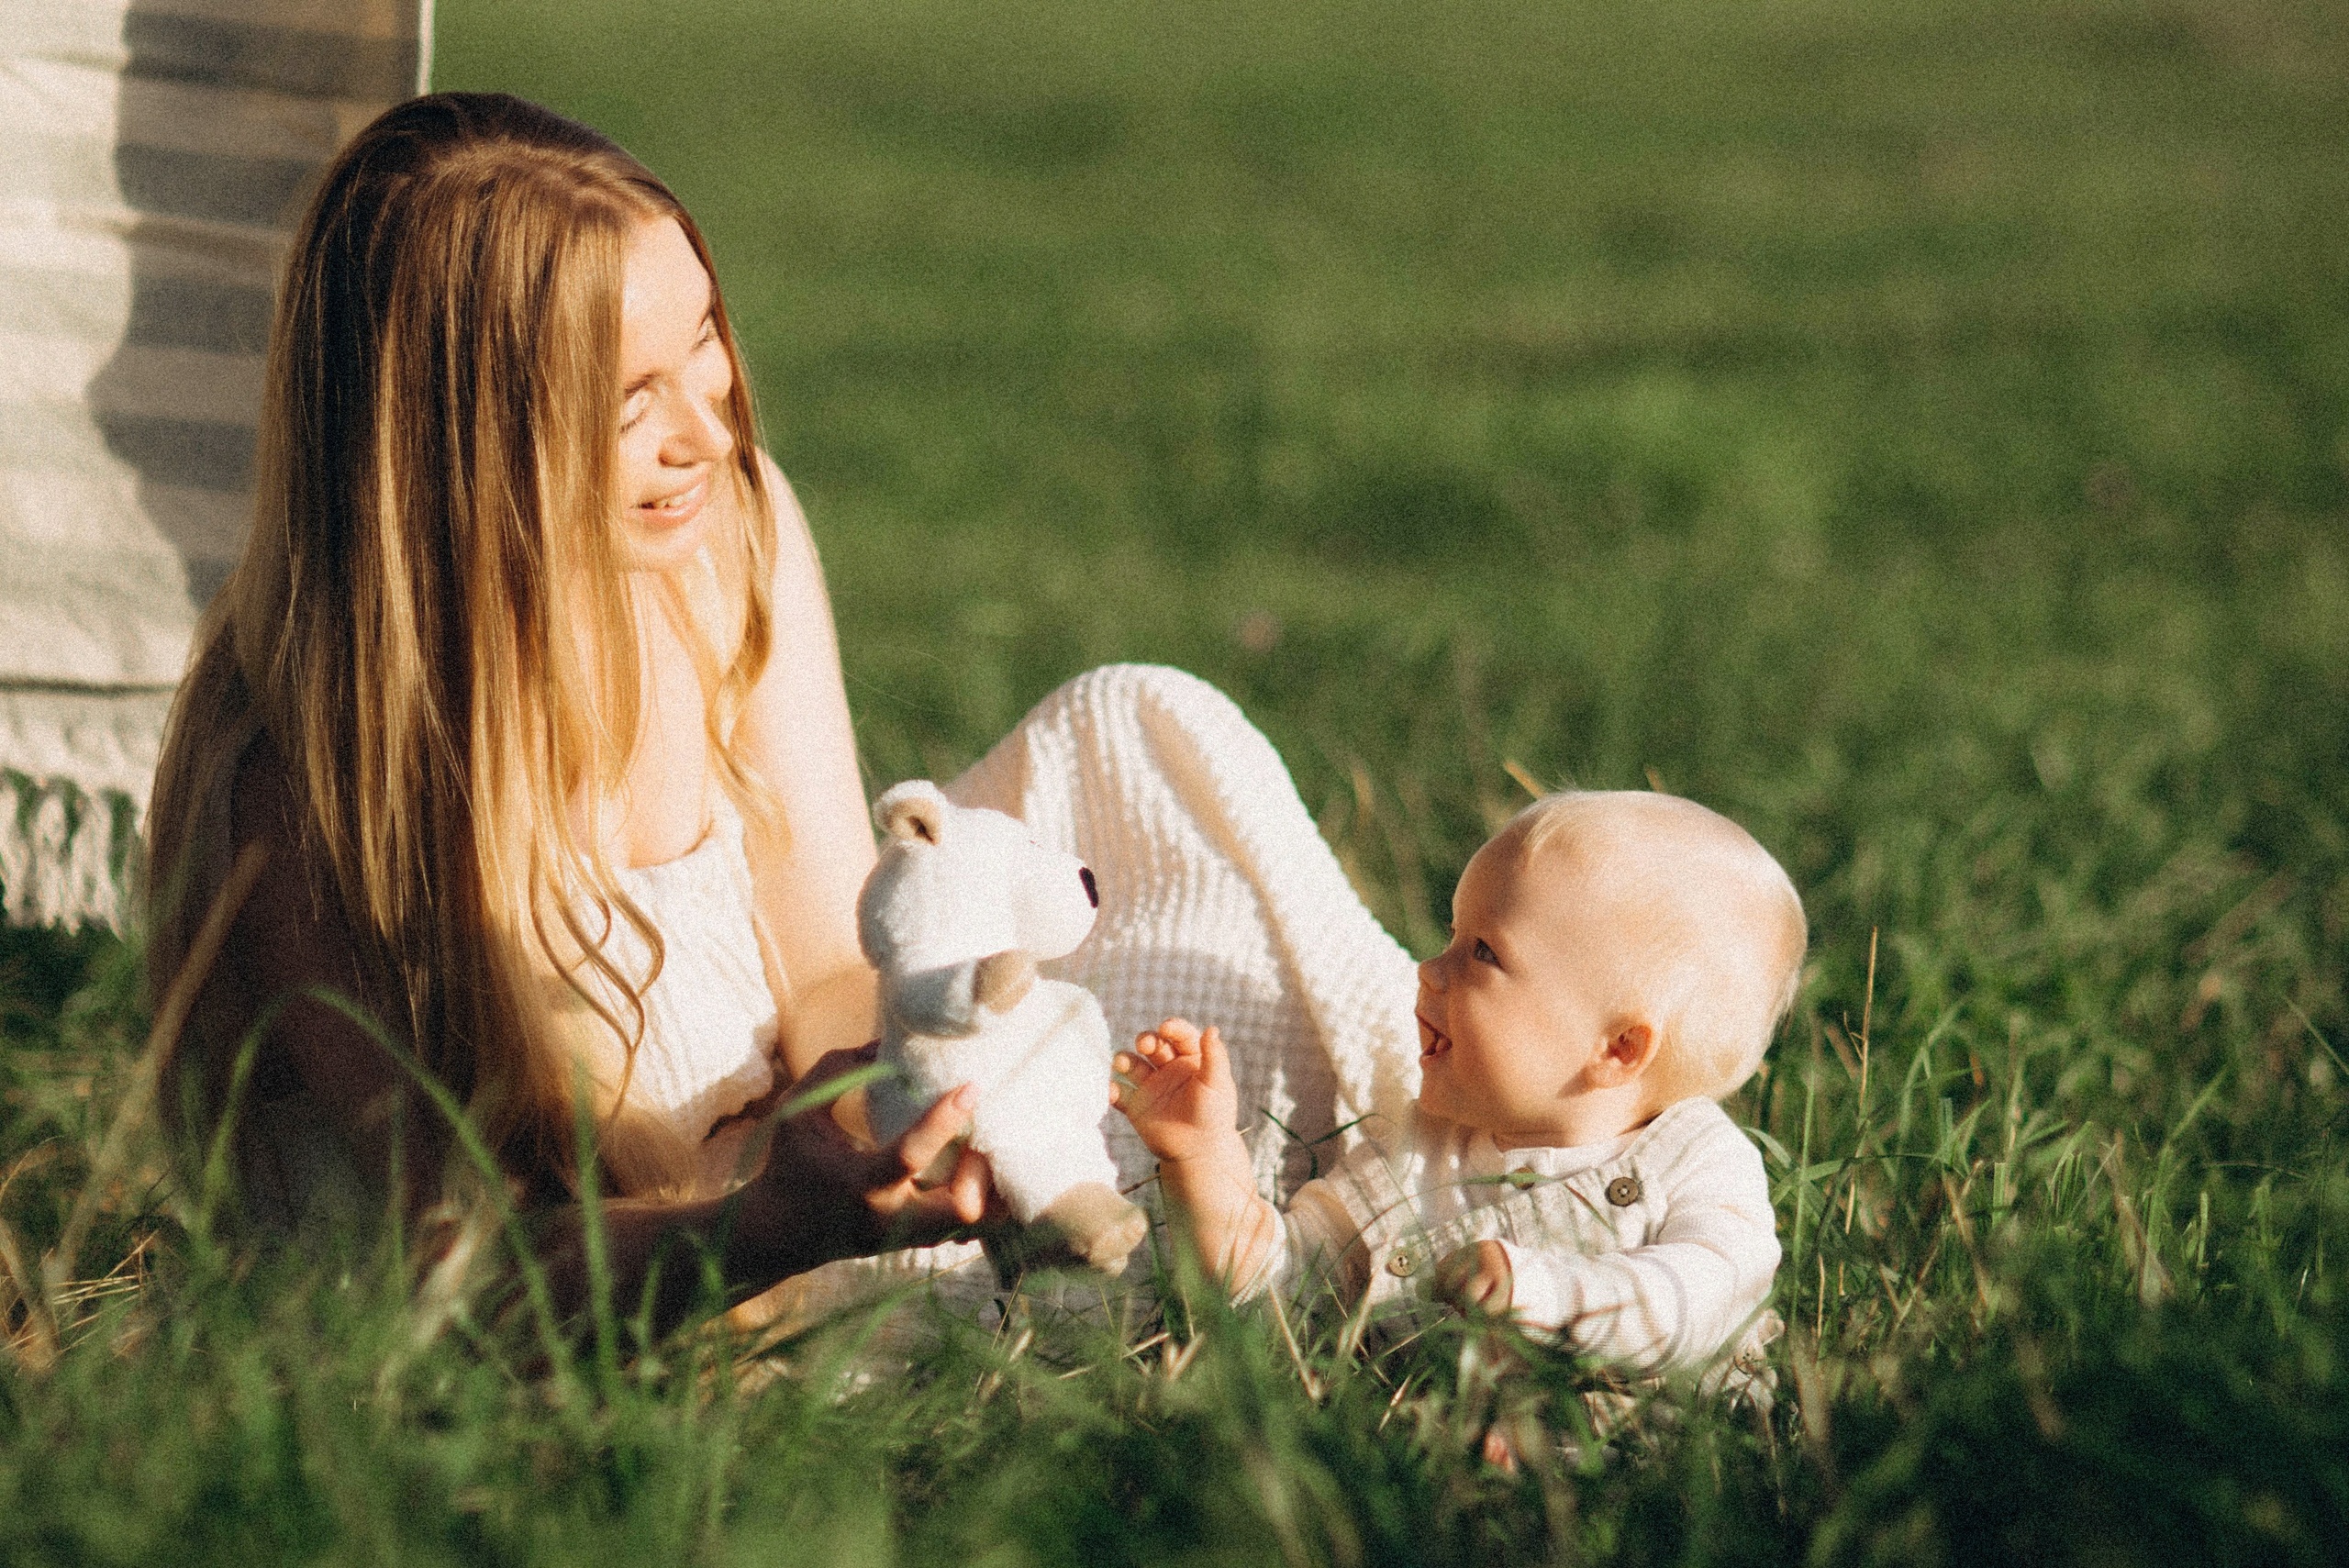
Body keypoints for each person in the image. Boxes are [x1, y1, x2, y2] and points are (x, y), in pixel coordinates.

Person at [141, 93, 999, 1329]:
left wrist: (899, 1091)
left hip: (777, 1186)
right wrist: (765, 1226)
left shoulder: (726, 542)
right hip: (619, 1299)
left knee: (1140, 739)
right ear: (457, 451)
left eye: (703, 334)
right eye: (630, 397)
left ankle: (1352, 1183)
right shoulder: (306, 792)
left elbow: (823, 962)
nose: (708, 429)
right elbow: (465, 1288)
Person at [1113, 790, 1803, 1384]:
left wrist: (1540, 1294)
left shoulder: (1697, 1163)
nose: (1428, 969)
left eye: (1483, 952)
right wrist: (1201, 1159)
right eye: (1452, 935)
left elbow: (1701, 1299)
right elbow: (1280, 1296)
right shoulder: (1415, 1153)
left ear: (1617, 1048)